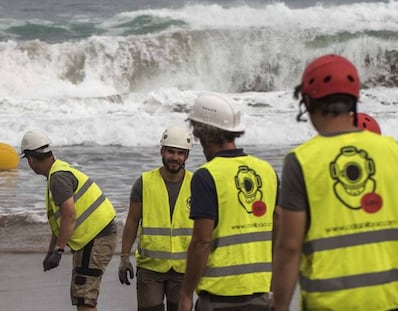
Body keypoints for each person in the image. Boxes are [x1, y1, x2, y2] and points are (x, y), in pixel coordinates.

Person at [272, 54, 398, 310]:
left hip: (329, 303)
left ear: (307, 101)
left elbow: (289, 248)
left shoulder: (301, 161)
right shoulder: (391, 150)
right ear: (354, 101)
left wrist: (280, 305)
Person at [178, 92, 279, 311]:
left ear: (202, 132)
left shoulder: (206, 176)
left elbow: (202, 241)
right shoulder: (267, 171)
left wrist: (186, 294)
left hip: (219, 297)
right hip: (262, 295)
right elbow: (278, 230)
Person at [20, 129, 117, 311]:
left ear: (31, 160)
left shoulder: (58, 178)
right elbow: (60, 222)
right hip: (96, 237)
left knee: (84, 297)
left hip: (96, 238)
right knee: (83, 296)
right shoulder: (59, 170)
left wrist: (58, 250)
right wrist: (51, 250)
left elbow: (69, 215)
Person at [118, 126, 194, 311]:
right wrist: (124, 257)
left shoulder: (197, 184)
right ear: (162, 152)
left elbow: (206, 227)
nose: (175, 157)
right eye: (171, 151)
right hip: (150, 268)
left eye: (180, 153)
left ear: (186, 156)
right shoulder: (144, 183)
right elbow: (132, 221)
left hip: (183, 269)